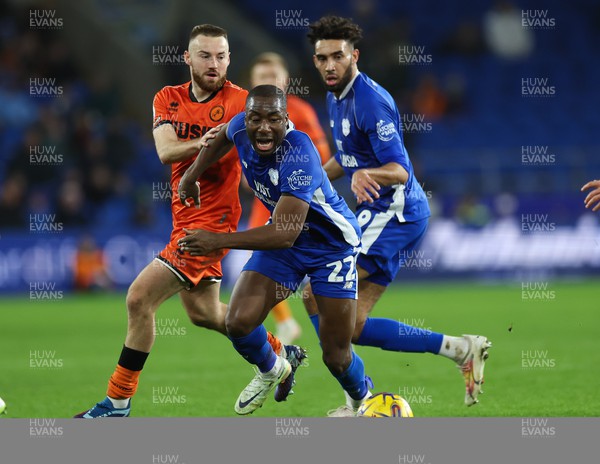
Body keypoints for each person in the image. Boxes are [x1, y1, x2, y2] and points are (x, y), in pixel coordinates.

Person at [75, 25, 303, 419]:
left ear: (230, 60)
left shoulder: (241, 102)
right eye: (205, 55)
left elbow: (286, 138)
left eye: (221, 56)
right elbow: (166, 151)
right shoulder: (168, 98)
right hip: (183, 214)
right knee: (205, 314)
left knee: (138, 298)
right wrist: (210, 142)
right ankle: (280, 353)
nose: (214, 63)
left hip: (209, 224)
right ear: (188, 58)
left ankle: (117, 403)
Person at [304, 16, 491, 416]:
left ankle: (358, 400)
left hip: (395, 213)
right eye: (322, 58)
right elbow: (345, 157)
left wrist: (364, 174)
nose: (330, 65)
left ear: (355, 55)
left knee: (316, 293)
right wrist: (308, 183)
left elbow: (399, 169)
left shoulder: (371, 100)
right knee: (351, 325)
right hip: (380, 213)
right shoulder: (335, 96)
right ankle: (459, 349)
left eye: (338, 56)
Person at [177, 85, 372, 415]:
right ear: (247, 117)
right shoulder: (241, 126)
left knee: (336, 355)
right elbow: (222, 136)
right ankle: (276, 366)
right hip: (288, 246)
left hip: (330, 248)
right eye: (255, 118)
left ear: (286, 120)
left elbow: (283, 233)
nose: (263, 127)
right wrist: (192, 175)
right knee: (237, 322)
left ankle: (361, 401)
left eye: (273, 119)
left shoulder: (300, 155)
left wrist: (216, 240)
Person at [246, 52, 332, 344]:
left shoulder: (301, 111)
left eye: (273, 77)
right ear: (252, 82)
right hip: (265, 199)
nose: (268, 82)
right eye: (262, 78)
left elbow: (323, 157)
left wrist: (295, 177)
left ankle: (331, 332)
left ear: (286, 81)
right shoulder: (245, 115)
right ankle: (285, 323)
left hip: (301, 200)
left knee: (304, 264)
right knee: (259, 257)